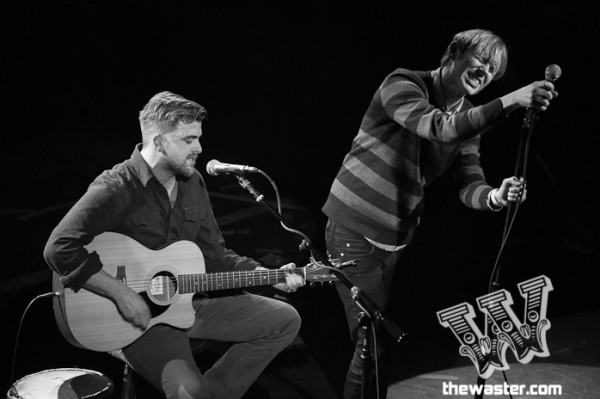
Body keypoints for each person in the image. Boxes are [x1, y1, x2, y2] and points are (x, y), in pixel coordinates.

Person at [321, 28, 558, 399]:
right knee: (371, 344)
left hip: (399, 241)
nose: (486, 73)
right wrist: (512, 100)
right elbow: (439, 129)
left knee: (386, 344)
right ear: (454, 53)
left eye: (493, 70)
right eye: (481, 60)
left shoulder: (468, 119)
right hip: (353, 232)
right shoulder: (403, 83)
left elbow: (468, 182)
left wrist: (495, 196)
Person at [43, 91, 305, 399]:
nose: (199, 148)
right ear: (159, 142)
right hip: (135, 321)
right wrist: (124, 295)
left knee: (285, 320)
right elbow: (59, 247)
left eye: (199, 138)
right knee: (191, 391)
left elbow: (212, 253)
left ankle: (216, 393)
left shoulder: (192, 182)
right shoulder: (116, 187)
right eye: (189, 140)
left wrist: (266, 273)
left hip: (185, 303)